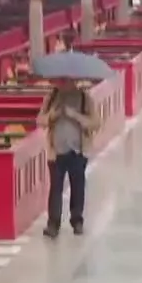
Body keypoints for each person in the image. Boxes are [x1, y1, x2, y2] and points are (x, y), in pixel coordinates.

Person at [38, 83, 98, 238]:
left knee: (78, 187)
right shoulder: (51, 98)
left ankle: (77, 220)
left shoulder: (85, 98)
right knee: (55, 189)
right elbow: (41, 121)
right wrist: (54, 115)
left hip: (78, 151)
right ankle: (53, 224)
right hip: (56, 152)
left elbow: (96, 123)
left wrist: (75, 115)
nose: (64, 81)